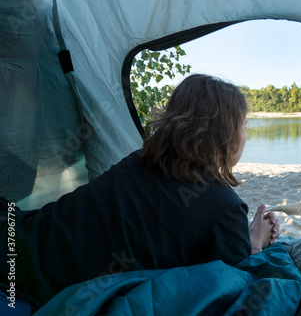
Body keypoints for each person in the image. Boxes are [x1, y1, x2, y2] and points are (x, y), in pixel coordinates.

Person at [0, 74, 280, 311]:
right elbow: (235, 285)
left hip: (18, 241)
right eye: (244, 126)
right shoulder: (226, 208)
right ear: (228, 134)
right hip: (35, 288)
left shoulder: (138, 160)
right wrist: (255, 241)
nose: (245, 135)